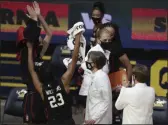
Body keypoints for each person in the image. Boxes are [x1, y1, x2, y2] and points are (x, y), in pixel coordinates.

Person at [27, 25, 82, 125]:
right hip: (67, 122)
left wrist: (30, 49)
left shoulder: (41, 89)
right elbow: (74, 59)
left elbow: (31, 71)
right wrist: (78, 36)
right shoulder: (64, 82)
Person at [19, 1, 52, 124]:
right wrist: (33, 20)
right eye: (37, 36)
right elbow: (30, 34)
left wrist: (39, 16)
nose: (40, 36)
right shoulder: (25, 55)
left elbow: (49, 33)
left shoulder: (39, 54)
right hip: (33, 97)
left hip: (43, 96)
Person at [79, 28, 111, 109]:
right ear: (99, 40)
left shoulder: (107, 52)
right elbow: (85, 66)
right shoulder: (94, 51)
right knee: (89, 116)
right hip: (90, 91)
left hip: (98, 91)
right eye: (105, 40)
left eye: (109, 40)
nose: (107, 42)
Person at [84, 51, 112, 124]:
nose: (87, 61)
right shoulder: (95, 76)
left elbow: (106, 101)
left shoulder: (101, 77)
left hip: (99, 120)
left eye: (89, 60)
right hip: (93, 119)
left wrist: (94, 118)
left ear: (95, 63)